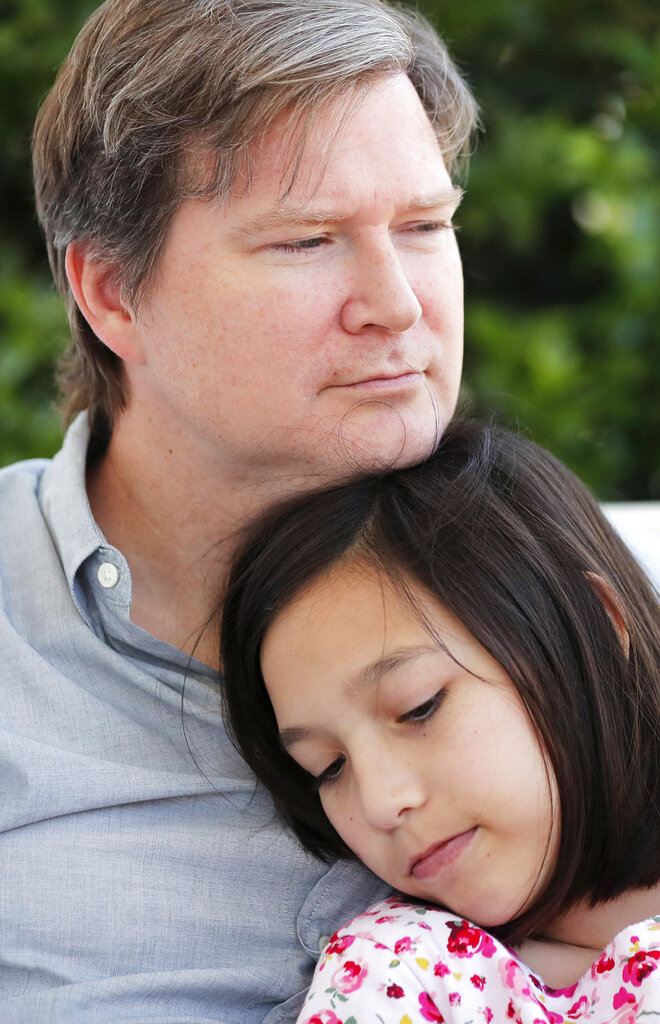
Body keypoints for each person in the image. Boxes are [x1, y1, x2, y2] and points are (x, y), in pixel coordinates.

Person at [1, 1, 479, 1020]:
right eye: (307, 240)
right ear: (113, 293)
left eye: (424, 226)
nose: (395, 304)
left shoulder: (585, 612)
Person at [220, 419, 660, 1022]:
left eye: (419, 707)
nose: (381, 803)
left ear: (591, 628)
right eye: (328, 768)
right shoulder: (405, 977)